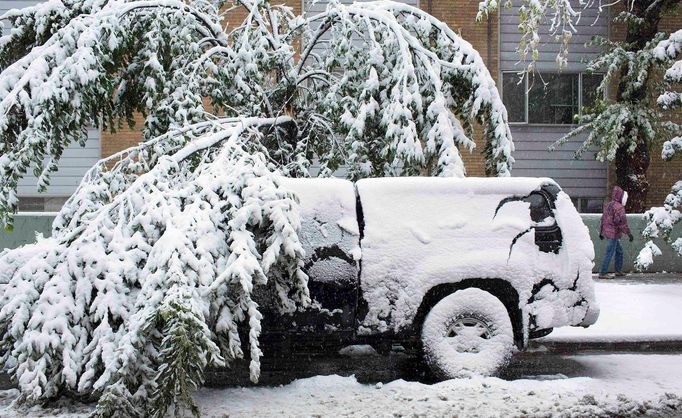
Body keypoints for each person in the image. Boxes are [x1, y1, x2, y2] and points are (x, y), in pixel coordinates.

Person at [598, 186, 633, 279]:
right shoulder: (619, 207)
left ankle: (618, 271)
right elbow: (622, 222)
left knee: (619, 251)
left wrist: (601, 233)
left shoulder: (608, 205)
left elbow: (603, 220)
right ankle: (603, 272)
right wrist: (629, 234)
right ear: (621, 197)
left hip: (609, 233)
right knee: (609, 252)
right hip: (613, 234)